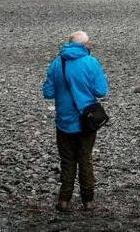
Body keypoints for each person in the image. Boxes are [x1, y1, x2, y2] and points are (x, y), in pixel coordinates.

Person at [42, 30, 109, 212]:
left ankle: (64, 200)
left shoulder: (57, 63)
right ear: (83, 46)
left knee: (68, 160)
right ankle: (88, 201)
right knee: (85, 159)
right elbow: (101, 91)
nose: (90, 46)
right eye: (88, 43)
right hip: (86, 120)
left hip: (64, 120)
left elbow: (47, 93)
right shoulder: (90, 62)